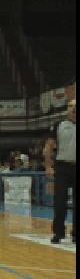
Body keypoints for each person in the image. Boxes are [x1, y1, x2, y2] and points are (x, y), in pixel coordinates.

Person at [44, 99, 76, 244]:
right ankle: (58, 233)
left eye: (76, 106)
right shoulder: (58, 125)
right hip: (62, 167)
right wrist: (48, 166)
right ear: (67, 109)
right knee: (60, 202)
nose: (73, 108)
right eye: (71, 106)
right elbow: (48, 148)